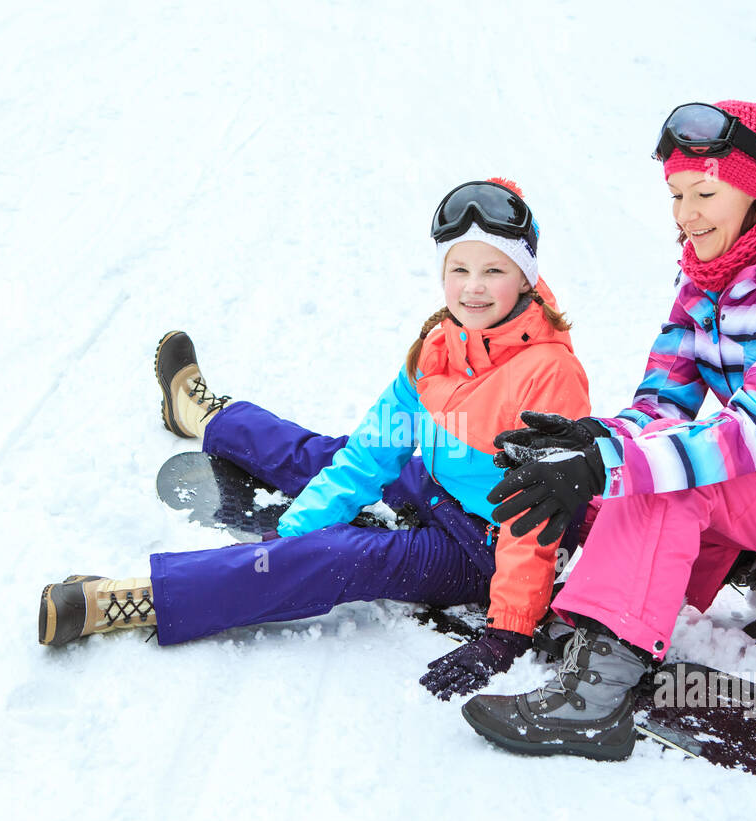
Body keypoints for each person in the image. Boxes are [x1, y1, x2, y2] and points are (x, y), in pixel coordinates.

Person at [462, 101, 756, 760]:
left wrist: (613, 461)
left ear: (755, 191)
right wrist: (586, 443)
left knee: (675, 479)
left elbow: (750, 437)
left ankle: (594, 697)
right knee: (637, 472)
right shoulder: (704, 278)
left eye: (705, 193)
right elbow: (660, 404)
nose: (685, 213)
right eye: (675, 194)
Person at [38, 178, 591, 699]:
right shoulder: (439, 346)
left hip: (484, 547)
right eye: (459, 268)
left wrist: (509, 627)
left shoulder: (549, 374)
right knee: (329, 457)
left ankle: (137, 599)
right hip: (439, 491)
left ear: (525, 277)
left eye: (494, 270)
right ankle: (205, 417)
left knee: (344, 556)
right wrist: (296, 525)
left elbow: (536, 517)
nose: (472, 287)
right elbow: (374, 447)